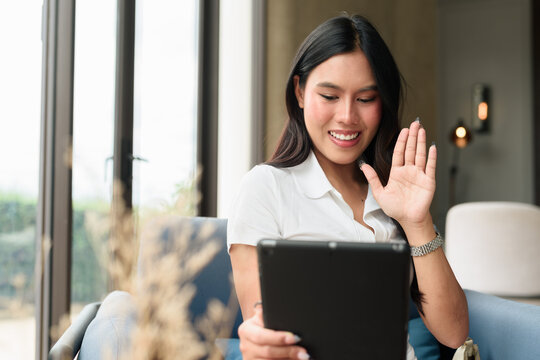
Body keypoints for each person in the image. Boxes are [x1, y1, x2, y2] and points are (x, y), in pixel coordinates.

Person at [227, 14, 469, 360]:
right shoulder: (265, 189)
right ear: (299, 92)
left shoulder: (392, 192)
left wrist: (417, 222)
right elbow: (264, 335)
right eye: (329, 95)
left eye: (366, 99)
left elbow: (455, 332)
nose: (347, 117)